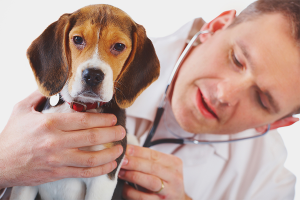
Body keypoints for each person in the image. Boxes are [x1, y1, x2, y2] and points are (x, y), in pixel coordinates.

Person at [1, 0, 300, 199]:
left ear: (281, 122)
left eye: (262, 100)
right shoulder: (106, 56)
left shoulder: (270, 185)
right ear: (216, 26)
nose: (224, 94)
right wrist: (5, 164)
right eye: (236, 59)